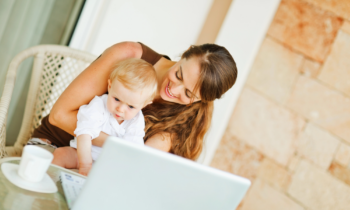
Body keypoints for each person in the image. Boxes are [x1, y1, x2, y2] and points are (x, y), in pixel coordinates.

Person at [30, 42, 238, 161]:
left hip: (100, 171)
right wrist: (125, 147)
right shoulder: (129, 55)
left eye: (189, 94)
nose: (173, 90)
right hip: (54, 147)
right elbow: (59, 117)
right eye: (179, 75)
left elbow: (145, 163)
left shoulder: (190, 117)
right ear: (184, 55)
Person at [49, 58, 157, 175]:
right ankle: (47, 183)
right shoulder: (98, 105)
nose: (120, 109)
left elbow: (131, 150)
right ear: (110, 86)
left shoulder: (137, 121)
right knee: (60, 154)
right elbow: (85, 133)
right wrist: (85, 166)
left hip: (108, 165)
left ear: (144, 105)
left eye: (131, 106)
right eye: (116, 99)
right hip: (81, 155)